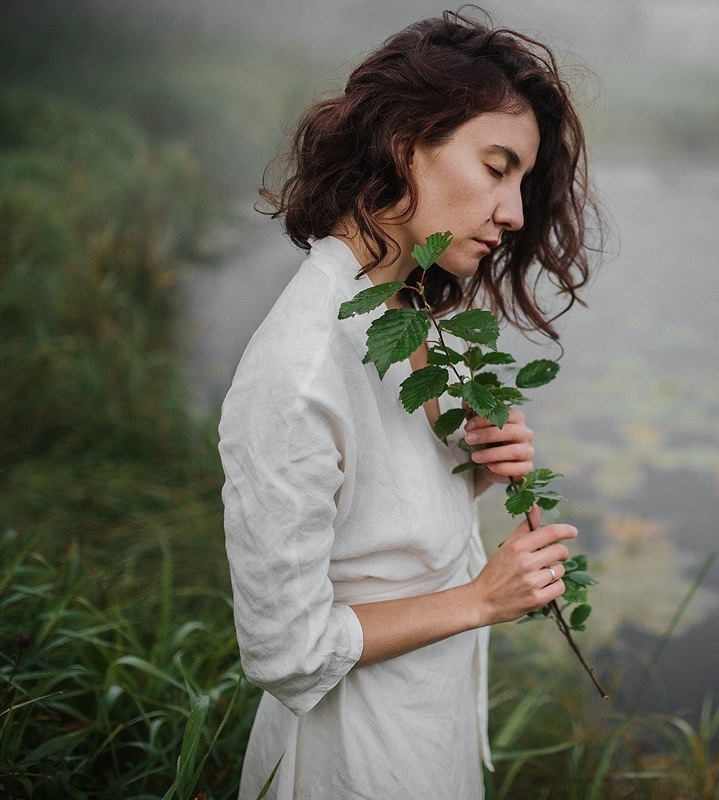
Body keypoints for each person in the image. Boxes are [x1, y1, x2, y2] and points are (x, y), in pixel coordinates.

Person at [218, 11, 598, 798]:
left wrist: (474, 471)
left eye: (522, 180)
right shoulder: (298, 372)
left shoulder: (408, 313)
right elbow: (284, 653)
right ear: (403, 145)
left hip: (430, 730)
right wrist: (482, 600)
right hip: (353, 761)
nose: (516, 213)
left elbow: (382, 532)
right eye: (497, 168)